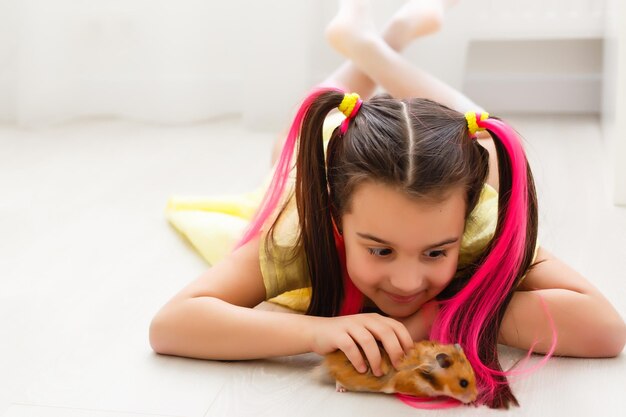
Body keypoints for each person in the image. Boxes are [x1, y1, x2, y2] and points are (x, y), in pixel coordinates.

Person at [149, 0, 626, 409]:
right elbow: (171, 326)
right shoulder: (301, 232)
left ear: (463, 226)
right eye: (380, 250)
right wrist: (316, 333)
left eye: (437, 252)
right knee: (289, 151)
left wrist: (439, 317)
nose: (405, 281)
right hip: (323, 173)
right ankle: (371, 44)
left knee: (475, 136)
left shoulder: (480, 227)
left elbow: (606, 329)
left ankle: (373, 43)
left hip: (453, 174)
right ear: (335, 215)